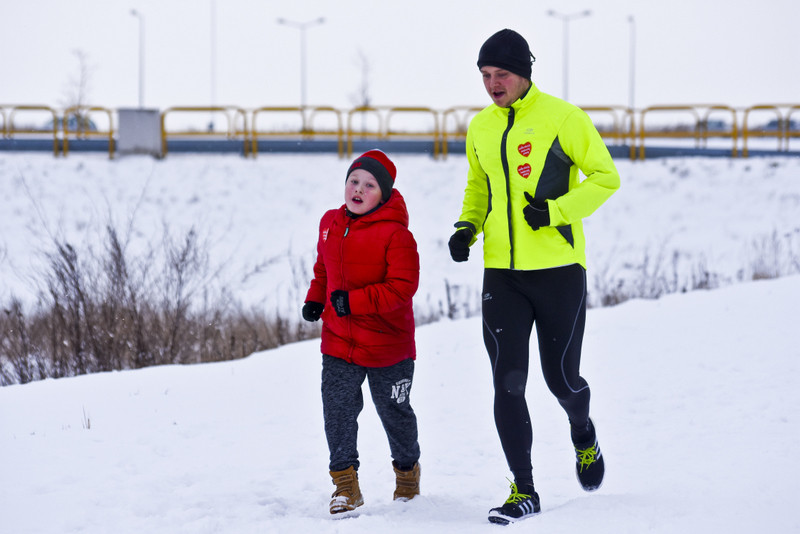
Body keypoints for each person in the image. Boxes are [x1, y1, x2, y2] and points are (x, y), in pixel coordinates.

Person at [448, 29, 621, 525]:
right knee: (507, 382)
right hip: (501, 275)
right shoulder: (480, 127)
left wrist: (558, 211)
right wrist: (467, 227)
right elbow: (478, 187)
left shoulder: (564, 118)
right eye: (485, 75)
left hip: (559, 273)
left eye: (501, 74)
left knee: (561, 380)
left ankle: (582, 432)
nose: (492, 84)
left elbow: (606, 177)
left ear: (524, 73)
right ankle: (524, 490)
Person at [302, 149, 421, 515]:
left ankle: (406, 475)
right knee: (337, 411)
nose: (358, 189)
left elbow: (403, 287)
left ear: (383, 195)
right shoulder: (330, 223)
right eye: (354, 181)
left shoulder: (397, 236)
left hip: (389, 347)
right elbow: (324, 270)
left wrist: (352, 302)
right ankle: (345, 486)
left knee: (394, 413)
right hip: (339, 343)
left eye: (369, 185)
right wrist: (315, 299)